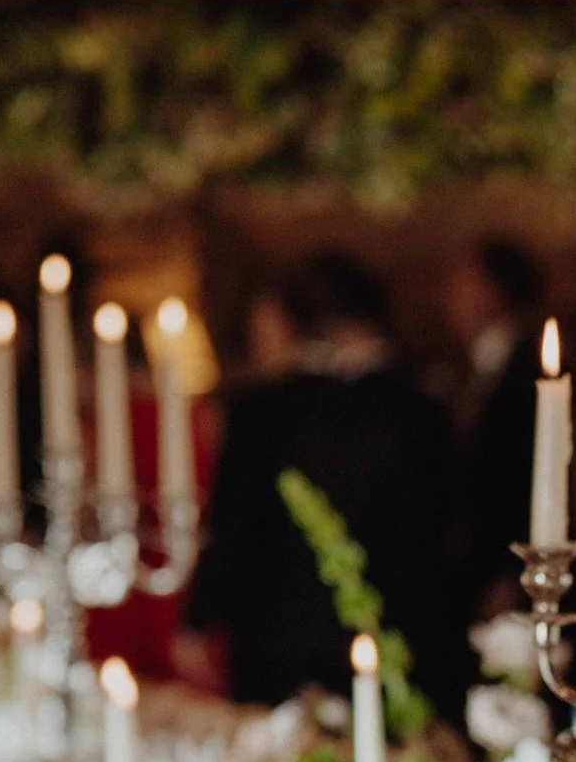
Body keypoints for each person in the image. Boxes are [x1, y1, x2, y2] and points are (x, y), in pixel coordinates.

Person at [185, 252, 470, 715]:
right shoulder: (423, 410)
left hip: (279, 644)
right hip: (400, 641)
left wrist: (199, 618)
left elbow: (233, 524)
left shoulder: (264, 412)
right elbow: (452, 527)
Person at [447, 233, 547, 620]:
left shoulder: (525, 372)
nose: (450, 298)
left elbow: (521, 470)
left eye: (463, 284)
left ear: (494, 292)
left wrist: (509, 569)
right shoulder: (479, 370)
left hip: (508, 569)